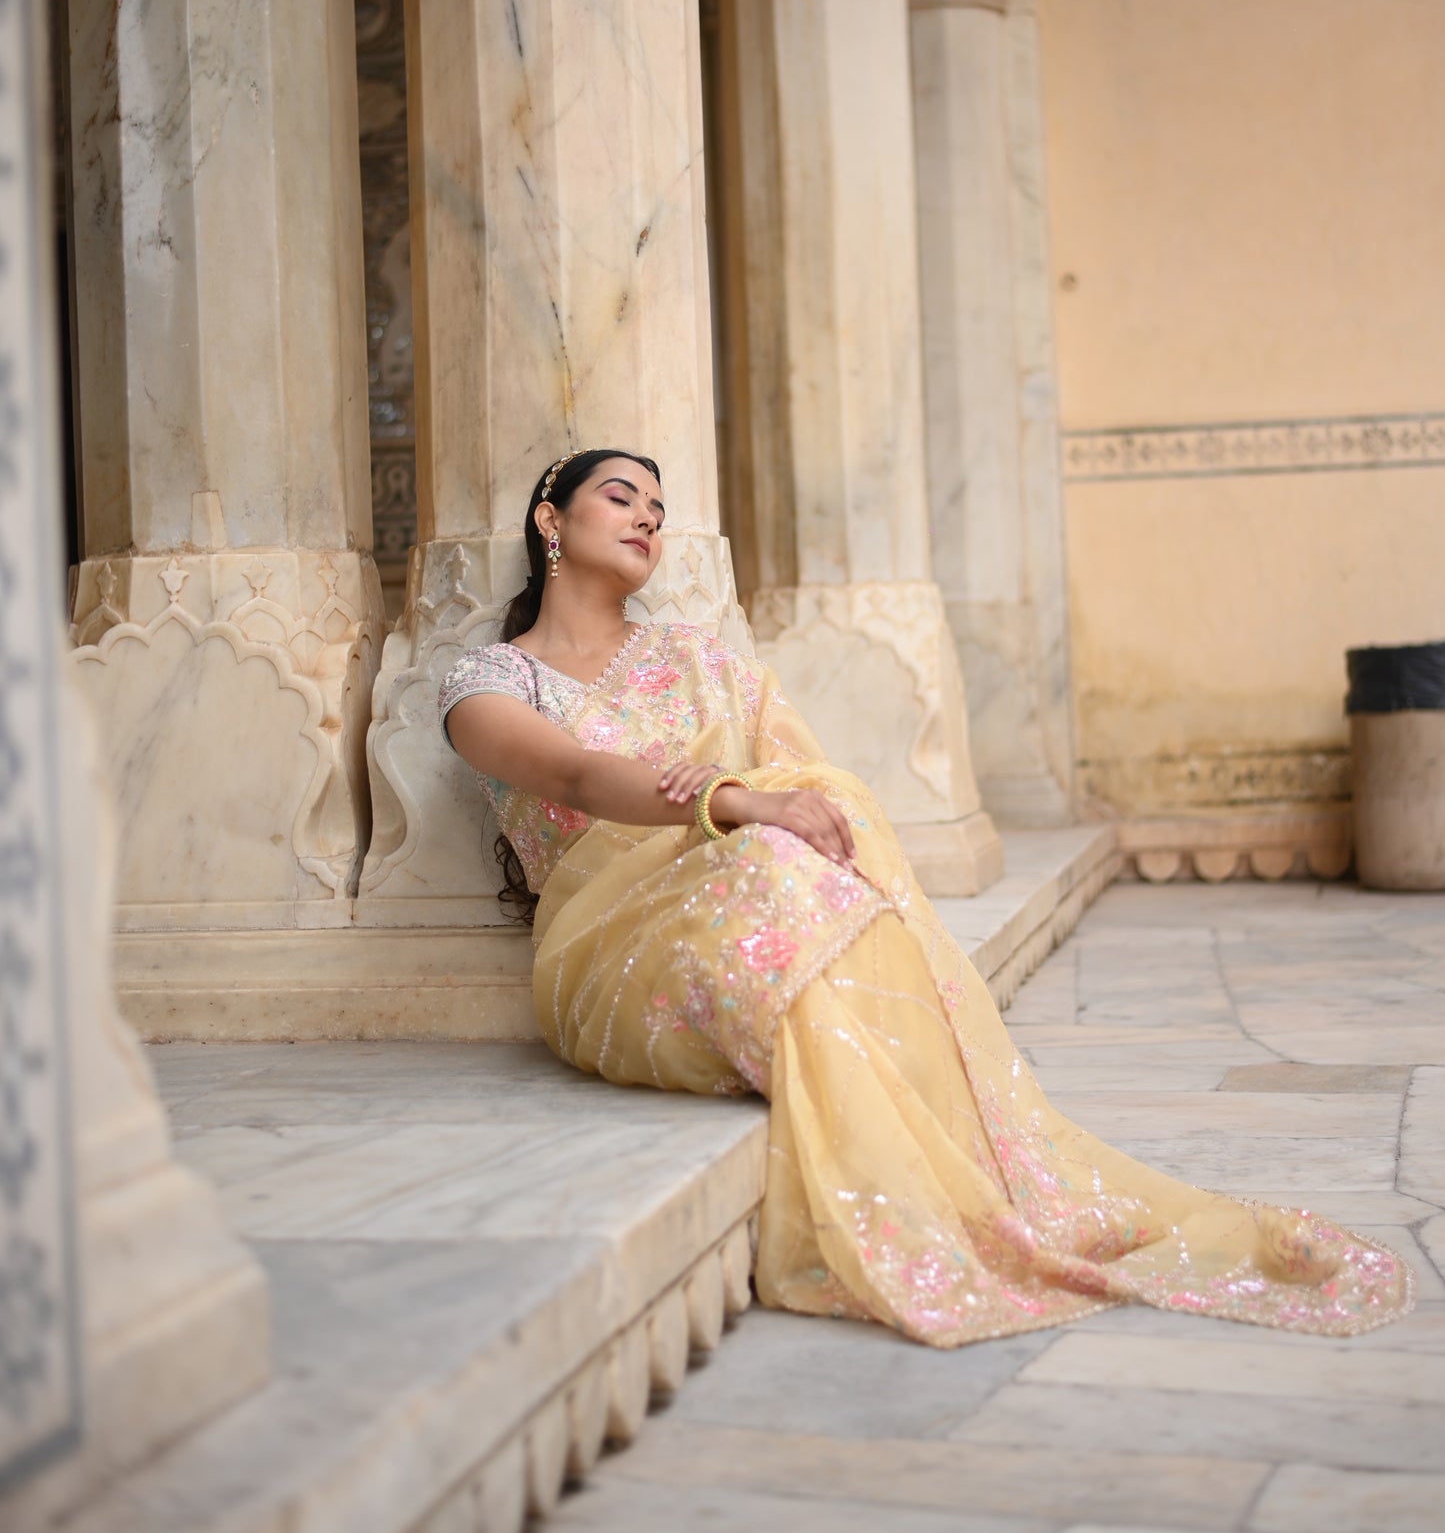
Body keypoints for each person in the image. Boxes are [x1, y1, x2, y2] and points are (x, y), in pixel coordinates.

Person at [440, 449, 1413, 1344]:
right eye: (621, 496)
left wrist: (772, 808)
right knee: (775, 858)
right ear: (548, 519)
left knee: (800, 849)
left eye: (660, 506)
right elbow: (569, 776)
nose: (648, 516)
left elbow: (805, 785)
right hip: (607, 946)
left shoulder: (703, 658)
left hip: (745, 885)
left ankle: (953, 1193)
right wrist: (735, 800)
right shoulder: (490, 676)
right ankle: (922, 1195)